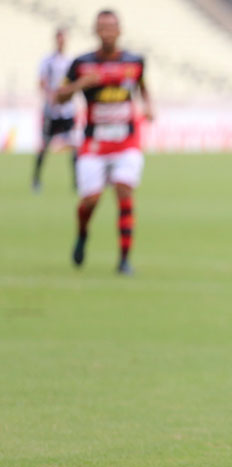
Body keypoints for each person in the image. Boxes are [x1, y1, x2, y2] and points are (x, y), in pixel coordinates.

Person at [57, 10, 153, 275]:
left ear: (119, 30)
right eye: (102, 27)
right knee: (91, 200)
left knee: (124, 190)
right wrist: (80, 85)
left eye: (112, 27)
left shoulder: (134, 61)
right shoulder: (81, 63)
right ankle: (82, 233)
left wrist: (149, 106)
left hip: (126, 141)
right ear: (95, 30)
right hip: (94, 143)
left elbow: (142, 87)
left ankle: (124, 259)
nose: (107, 31)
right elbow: (58, 97)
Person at [33, 27, 78, 193]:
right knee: (44, 146)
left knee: (74, 145)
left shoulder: (70, 61)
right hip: (51, 111)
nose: (61, 42)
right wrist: (51, 97)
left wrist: (67, 95)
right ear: (55, 40)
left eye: (64, 39)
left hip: (67, 111)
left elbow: (74, 84)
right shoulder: (47, 61)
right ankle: (36, 180)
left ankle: (77, 182)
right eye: (59, 39)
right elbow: (42, 82)